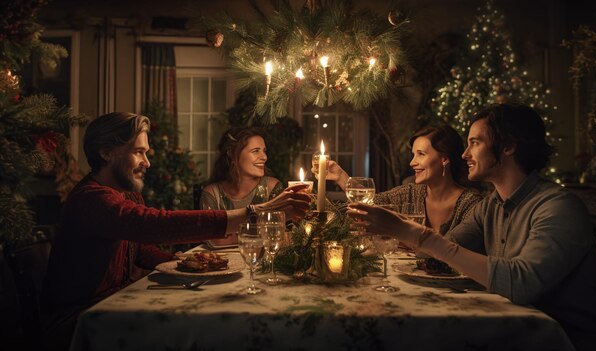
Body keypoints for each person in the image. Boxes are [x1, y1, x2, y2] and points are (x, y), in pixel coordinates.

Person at [348, 104, 596, 350]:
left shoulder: (558, 207)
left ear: (508, 146)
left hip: (573, 340)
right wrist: (399, 231)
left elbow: (521, 283)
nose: (465, 154)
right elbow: (441, 252)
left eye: (475, 142)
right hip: (514, 332)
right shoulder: (491, 206)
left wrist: (410, 232)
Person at [40, 112, 310, 350]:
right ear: (106, 152)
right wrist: (255, 211)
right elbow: (153, 225)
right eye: (138, 152)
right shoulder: (92, 199)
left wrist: (186, 263)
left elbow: (141, 248)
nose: (147, 162)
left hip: (114, 305)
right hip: (80, 322)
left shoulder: (126, 196)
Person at [319, 125, 482, 235]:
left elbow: (454, 250)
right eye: (413, 155)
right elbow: (372, 203)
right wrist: (340, 176)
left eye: (421, 154)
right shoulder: (411, 193)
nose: (412, 162)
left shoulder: (471, 205)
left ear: (444, 159)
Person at [200, 127, 283, 246]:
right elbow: (212, 239)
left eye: (264, 151)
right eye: (255, 151)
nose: (264, 157)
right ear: (233, 155)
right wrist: (258, 233)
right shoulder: (212, 193)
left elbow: (279, 235)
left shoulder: (272, 187)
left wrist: (230, 235)